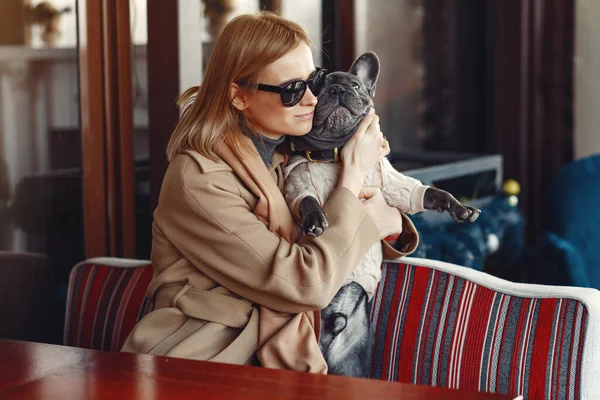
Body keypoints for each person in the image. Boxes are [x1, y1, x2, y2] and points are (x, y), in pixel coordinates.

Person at [121, 12, 418, 374]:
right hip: (198, 364)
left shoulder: (282, 158)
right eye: (292, 90)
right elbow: (306, 281)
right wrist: (353, 175)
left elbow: (332, 230)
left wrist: (385, 215)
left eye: (313, 81)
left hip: (259, 361)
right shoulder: (198, 180)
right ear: (239, 97)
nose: (311, 99)